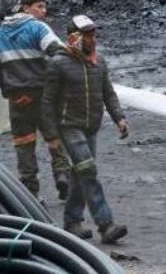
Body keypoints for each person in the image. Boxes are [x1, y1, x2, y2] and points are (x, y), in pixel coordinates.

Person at [40, 15, 129, 244]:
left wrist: (119, 118)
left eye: (93, 34)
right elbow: (47, 102)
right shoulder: (58, 63)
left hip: (91, 127)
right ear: (74, 37)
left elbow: (108, 93)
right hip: (69, 127)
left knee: (81, 174)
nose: (93, 39)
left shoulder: (98, 62)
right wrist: (51, 136)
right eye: (88, 35)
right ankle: (106, 224)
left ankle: (72, 222)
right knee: (88, 171)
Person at [0, 0, 71, 200]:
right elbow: (58, 51)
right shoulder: (37, 27)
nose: (44, 11)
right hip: (42, 93)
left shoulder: (2, 33)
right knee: (54, 135)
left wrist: (6, 90)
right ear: (26, 8)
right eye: (39, 6)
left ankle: (30, 193)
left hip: (18, 98)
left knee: (24, 144)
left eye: (44, 6)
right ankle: (63, 175)